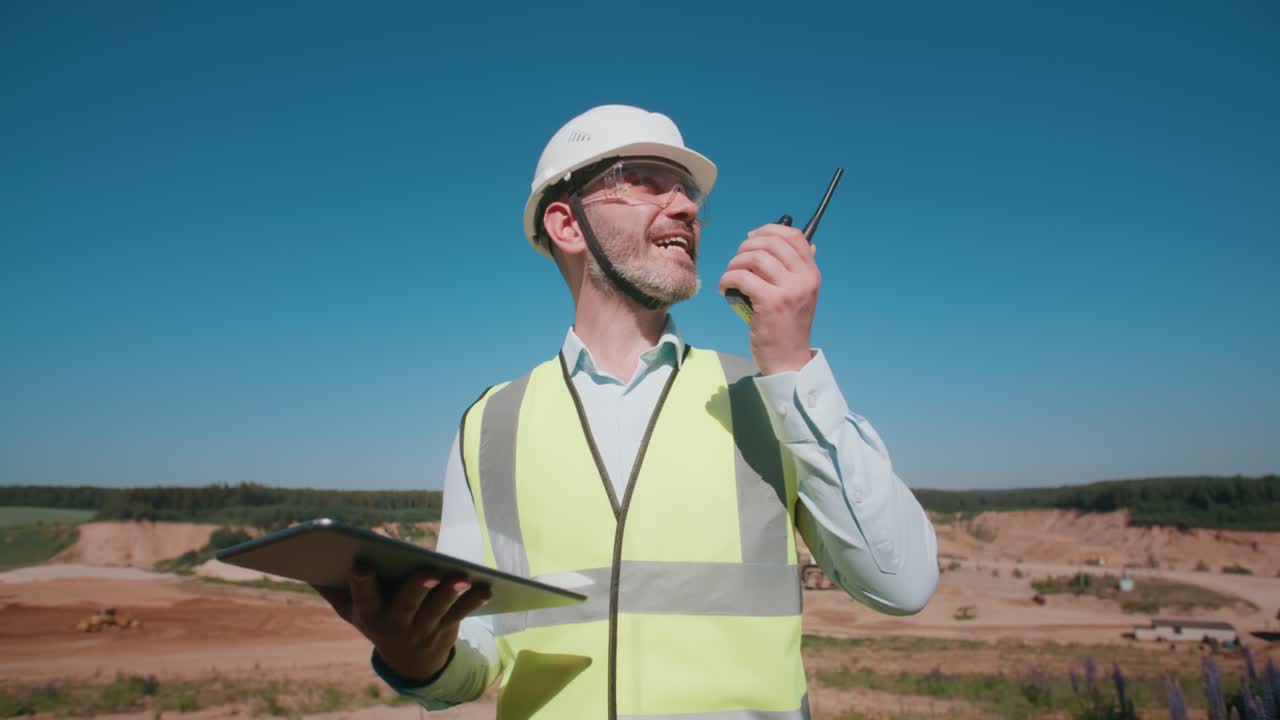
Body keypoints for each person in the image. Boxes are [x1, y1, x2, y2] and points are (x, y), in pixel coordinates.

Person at [318, 104, 939, 719]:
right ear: (567, 225)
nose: (689, 208)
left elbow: (901, 582)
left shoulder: (770, 393)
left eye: (689, 193)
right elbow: (476, 649)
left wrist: (793, 365)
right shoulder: (490, 424)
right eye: (645, 180)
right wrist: (418, 658)